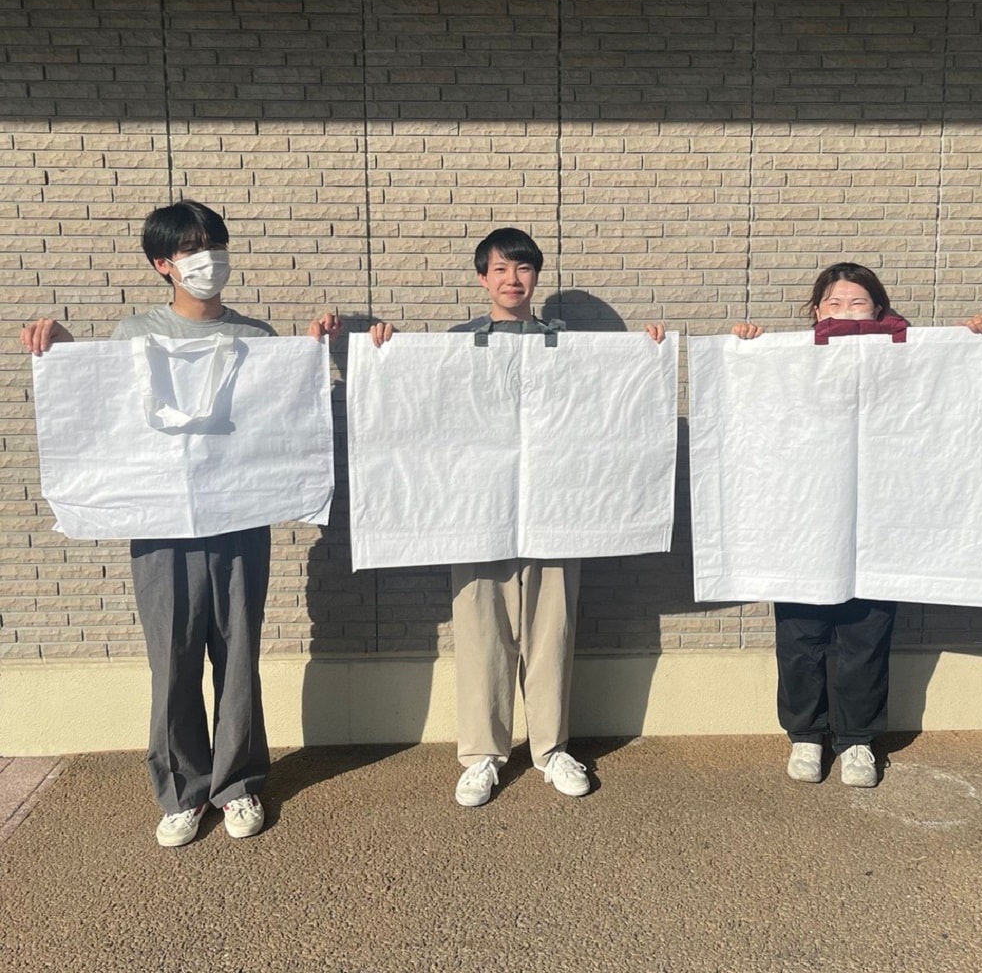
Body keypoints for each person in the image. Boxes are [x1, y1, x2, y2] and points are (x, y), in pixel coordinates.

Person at [21, 200, 341, 847]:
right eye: (191, 249)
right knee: (172, 660)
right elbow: (102, 413)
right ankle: (181, 792)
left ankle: (238, 784)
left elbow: (281, 423)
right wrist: (61, 353)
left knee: (238, 654)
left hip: (239, 519)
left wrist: (310, 355)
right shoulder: (134, 335)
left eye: (214, 245)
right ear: (161, 264)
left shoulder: (255, 338)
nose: (207, 260)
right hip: (160, 524)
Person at [373, 227, 664, 807]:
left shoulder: (567, 344)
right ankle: (483, 754)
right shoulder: (457, 344)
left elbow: (605, 407)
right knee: (482, 632)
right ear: (483, 278)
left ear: (536, 277)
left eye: (524, 269)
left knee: (551, 632)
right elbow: (421, 410)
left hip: (556, 510)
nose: (513, 279)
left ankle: (552, 749)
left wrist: (646, 354)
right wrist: (387, 354)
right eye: (501, 269)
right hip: (475, 511)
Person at [731, 262, 982, 788]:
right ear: (816, 311)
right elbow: (759, 414)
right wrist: (746, 350)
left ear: (879, 308)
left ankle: (857, 740)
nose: (846, 312)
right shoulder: (795, 362)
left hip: (881, 521)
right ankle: (806, 735)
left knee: (866, 636)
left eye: (858, 303)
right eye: (834, 303)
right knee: (800, 635)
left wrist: (974, 342)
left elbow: (946, 397)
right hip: (805, 520)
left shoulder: (905, 359)